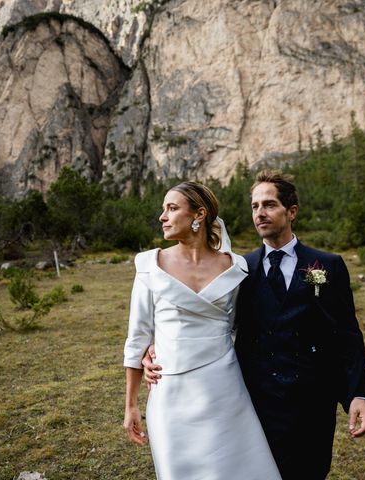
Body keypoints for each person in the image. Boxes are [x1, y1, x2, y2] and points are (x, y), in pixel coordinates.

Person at [144, 171, 365, 480]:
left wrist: (358, 393)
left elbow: (346, 334)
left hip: (313, 402)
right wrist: (158, 349)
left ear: (291, 212)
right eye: (254, 206)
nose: (260, 213)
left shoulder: (326, 265)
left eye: (270, 204)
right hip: (254, 401)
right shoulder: (240, 269)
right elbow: (215, 321)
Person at [122, 181, 281, 480]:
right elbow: (138, 336)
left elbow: (241, 328)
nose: (162, 217)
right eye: (163, 209)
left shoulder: (236, 268)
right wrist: (131, 405)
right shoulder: (149, 267)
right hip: (170, 394)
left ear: (199, 214)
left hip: (225, 391)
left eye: (172, 208)